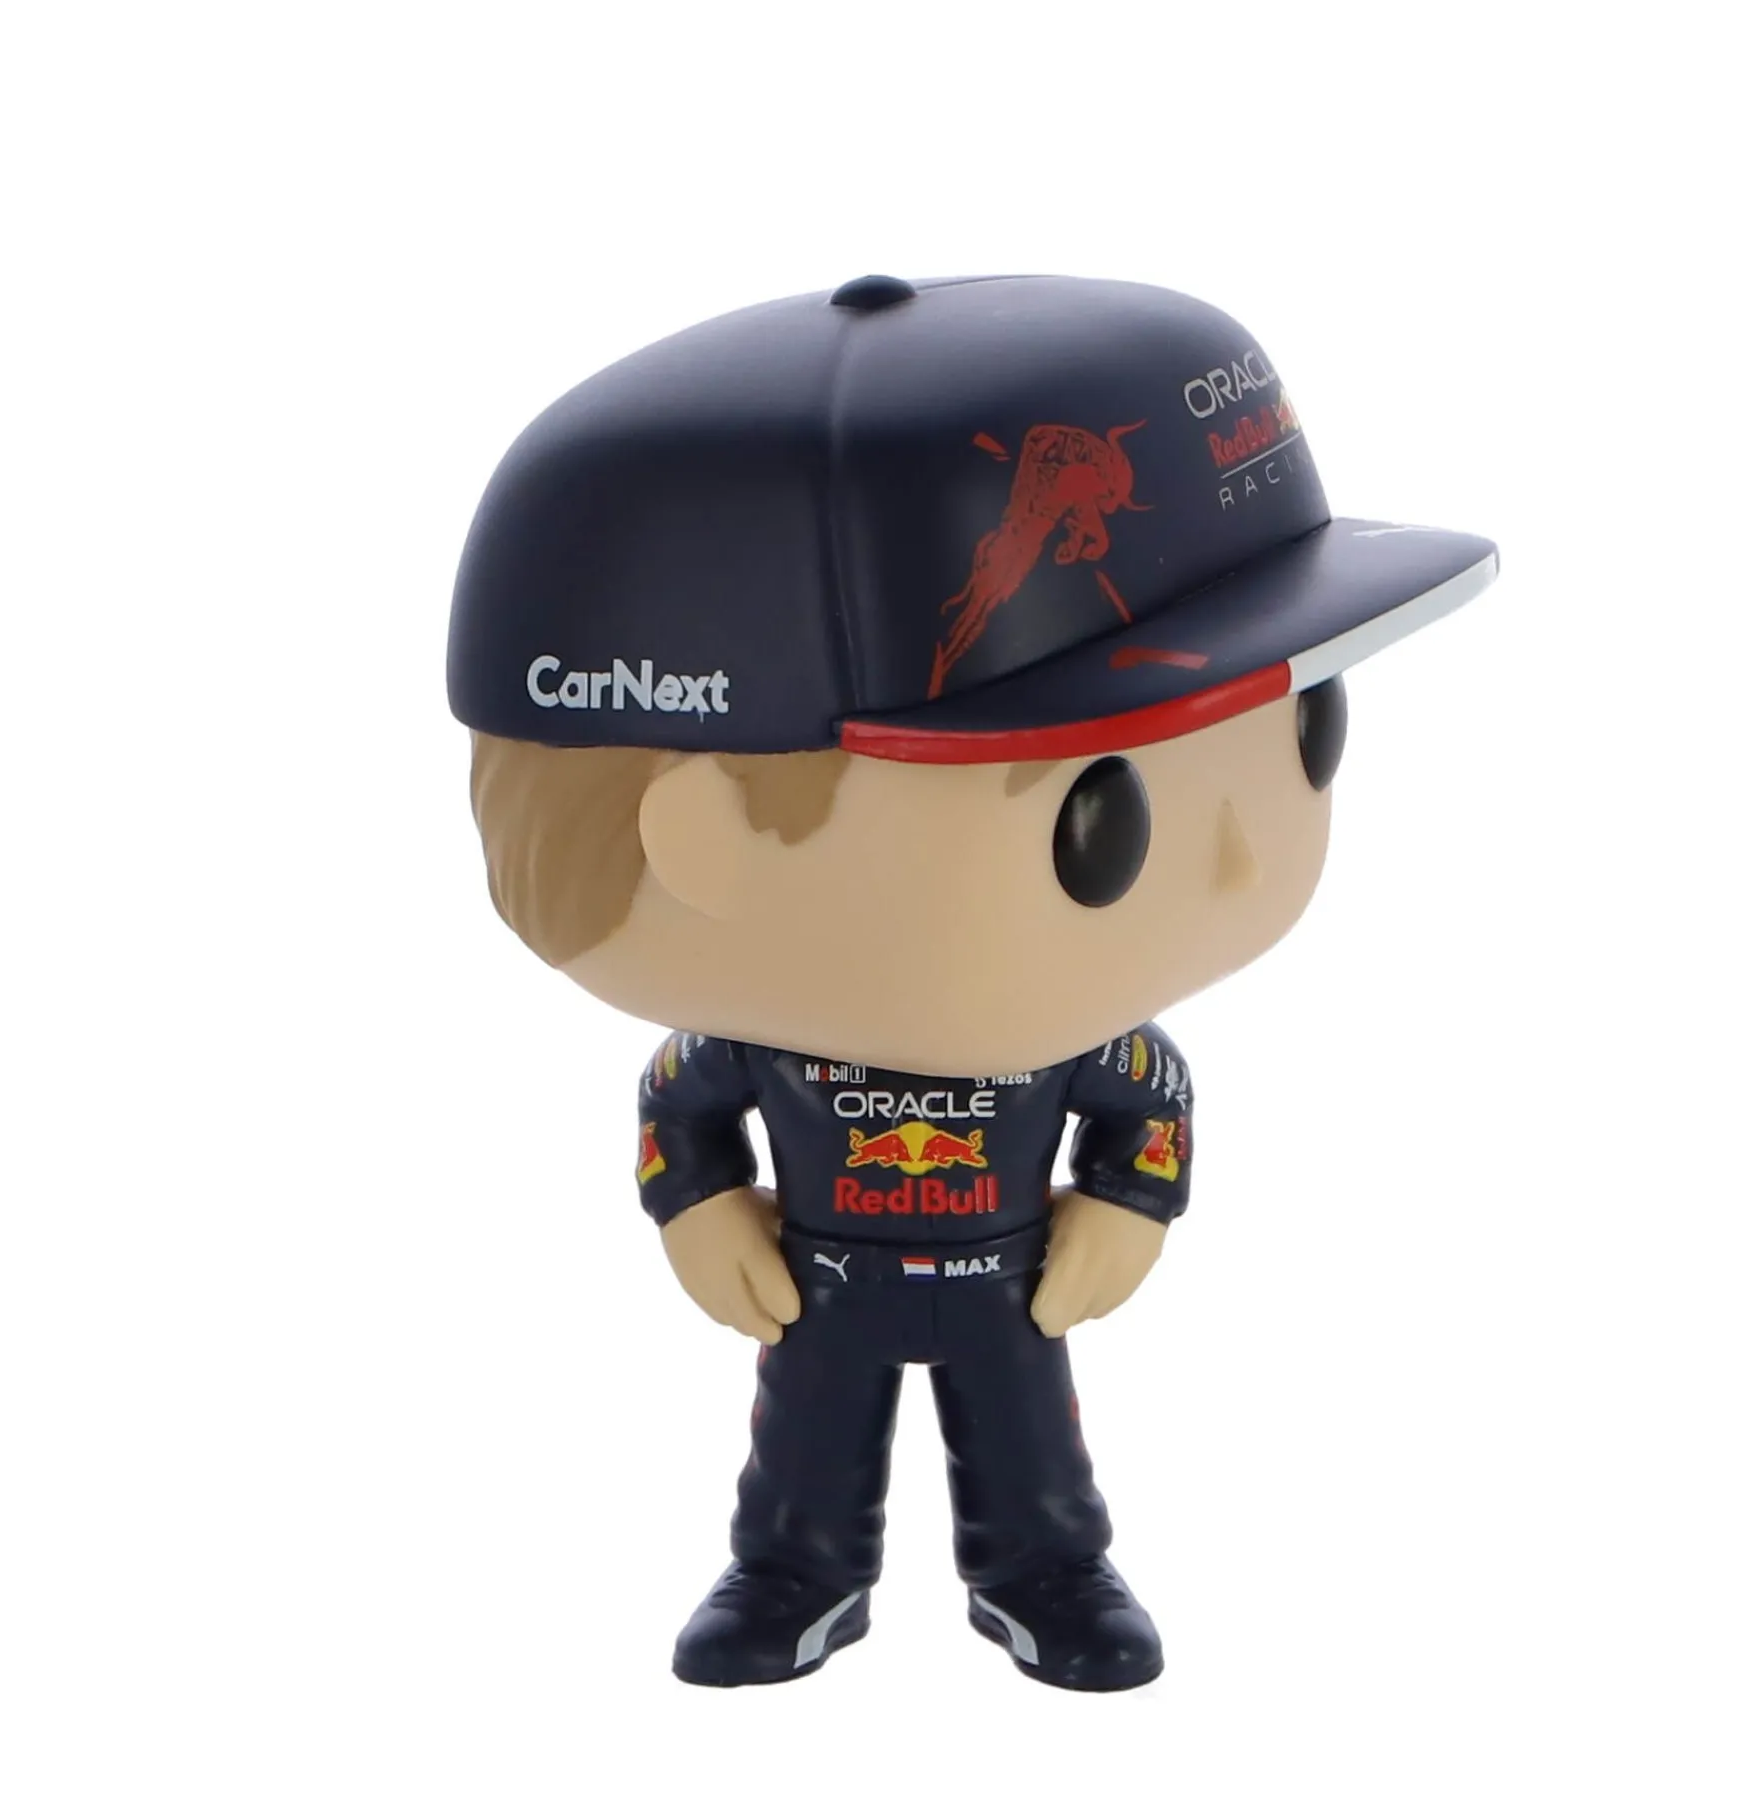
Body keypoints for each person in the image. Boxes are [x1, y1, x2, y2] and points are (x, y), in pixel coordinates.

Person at [448, 272, 1498, 1689]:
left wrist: (1129, 1204)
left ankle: (1044, 1571)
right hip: (822, 1280)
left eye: (1309, 721)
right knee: (807, 1450)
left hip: (1012, 1278)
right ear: (709, 844)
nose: (1248, 854)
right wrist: (695, 1209)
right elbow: (680, 1108)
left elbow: (1147, 1100)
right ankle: (796, 1573)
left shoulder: (1070, 1037)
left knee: (1030, 1452)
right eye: (1101, 819)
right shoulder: (767, 1042)